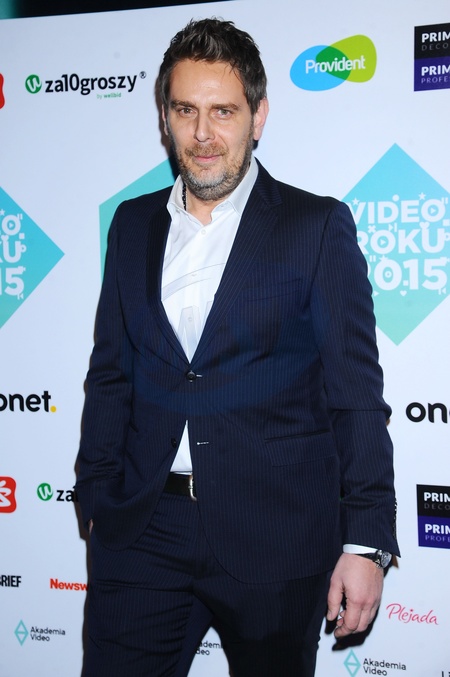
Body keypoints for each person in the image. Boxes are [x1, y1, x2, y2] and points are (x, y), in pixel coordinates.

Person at [75, 17, 399, 677]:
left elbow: (355, 394)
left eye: (223, 111)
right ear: (165, 117)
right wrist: (95, 493)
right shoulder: (132, 225)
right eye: (185, 110)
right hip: (142, 529)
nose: (202, 133)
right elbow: (111, 372)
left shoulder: (314, 227)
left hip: (275, 534)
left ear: (258, 116)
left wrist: (367, 541)